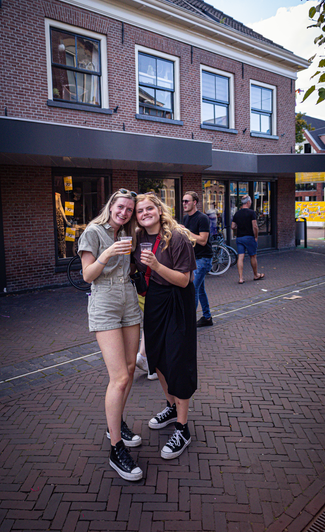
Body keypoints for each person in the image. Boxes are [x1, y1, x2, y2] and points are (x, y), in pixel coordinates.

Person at [78, 188, 143, 482]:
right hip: (104, 301)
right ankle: (116, 448)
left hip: (128, 297)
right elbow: (87, 275)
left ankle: (114, 423)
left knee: (130, 370)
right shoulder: (94, 231)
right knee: (118, 377)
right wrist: (107, 253)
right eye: (121, 207)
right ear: (111, 206)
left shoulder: (128, 232)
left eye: (129, 209)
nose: (125, 212)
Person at [133, 193, 197, 459]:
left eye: (150, 208)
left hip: (177, 300)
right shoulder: (137, 238)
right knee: (157, 358)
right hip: (154, 301)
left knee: (177, 361)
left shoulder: (178, 237)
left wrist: (157, 265)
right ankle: (171, 408)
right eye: (140, 210)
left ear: (159, 210)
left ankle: (183, 428)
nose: (145, 213)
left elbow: (184, 280)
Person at [182, 191, 214, 327]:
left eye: (187, 201)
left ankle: (189, 323)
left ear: (194, 202)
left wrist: (186, 232)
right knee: (200, 289)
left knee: (193, 289)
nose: (184, 203)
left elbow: (202, 240)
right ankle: (207, 317)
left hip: (203, 258)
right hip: (193, 259)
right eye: (183, 201)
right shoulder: (185, 218)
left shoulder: (202, 218)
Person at [231, 194, 265, 284]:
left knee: (240, 257)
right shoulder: (251, 213)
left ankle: (241, 278)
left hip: (239, 238)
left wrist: (239, 226)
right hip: (249, 237)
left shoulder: (237, 213)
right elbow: (255, 226)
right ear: (248, 202)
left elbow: (232, 226)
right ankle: (255, 275)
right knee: (253, 256)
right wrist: (256, 236)